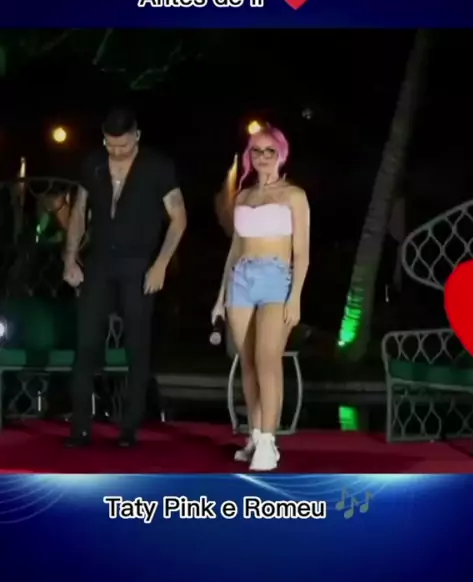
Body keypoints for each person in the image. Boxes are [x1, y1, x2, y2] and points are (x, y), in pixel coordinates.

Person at [63, 107, 187, 448]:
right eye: (111, 145)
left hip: (138, 263)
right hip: (99, 261)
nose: (117, 151)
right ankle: (80, 427)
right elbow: (79, 212)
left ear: (137, 136)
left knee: (137, 345)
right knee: (86, 343)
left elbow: (179, 217)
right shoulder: (93, 163)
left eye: (124, 145)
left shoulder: (157, 166)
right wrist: (70, 257)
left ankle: (129, 427)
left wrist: (161, 264)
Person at [211, 125, 310, 471]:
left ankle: (269, 441)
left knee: (268, 359)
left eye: (270, 151)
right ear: (249, 156)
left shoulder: (294, 195)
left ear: (281, 154)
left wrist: (296, 297)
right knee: (248, 363)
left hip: (276, 278)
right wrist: (220, 296)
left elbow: (302, 253)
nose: (263, 157)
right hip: (242, 279)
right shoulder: (243, 197)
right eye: (257, 151)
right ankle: (254, 435)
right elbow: (235, 249)